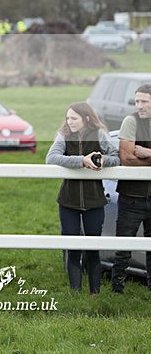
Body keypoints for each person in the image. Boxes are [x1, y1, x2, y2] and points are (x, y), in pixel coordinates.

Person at [46, 102, 118, 295]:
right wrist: (81, 161)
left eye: (74, 118)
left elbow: (116, 157)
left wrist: (102, 160)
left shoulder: (100, 134)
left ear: (86, 118)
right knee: (73, 247)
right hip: (68, 201)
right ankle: (75, 293)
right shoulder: (63, 134)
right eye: (68, 118)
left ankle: (95, 293)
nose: (69, 122)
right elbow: (51, 157)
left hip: (95, 201)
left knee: (93, 247)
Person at [112, 83, 151, 294]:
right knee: (123, 248)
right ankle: (117, 291)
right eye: (137, 101)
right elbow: (126, 158)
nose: (139, 105)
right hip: (131, 197)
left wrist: (148, 153)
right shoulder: (131, 121)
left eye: (144, 101)